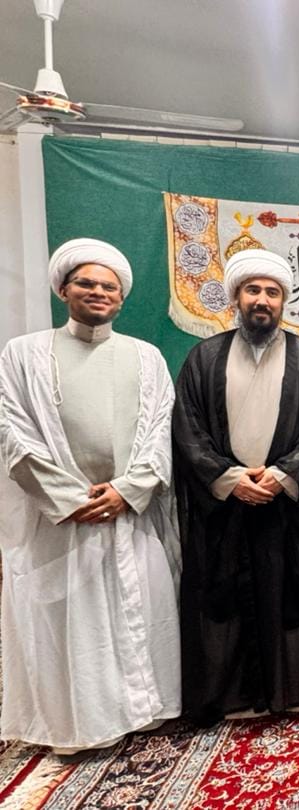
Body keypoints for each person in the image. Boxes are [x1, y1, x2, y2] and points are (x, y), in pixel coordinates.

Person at [0, 238, 181, 754]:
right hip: (62, 518)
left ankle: (146, 710)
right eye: (86, 283)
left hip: (129, 512)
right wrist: (70, 498)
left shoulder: (146, 357)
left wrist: (127, 490)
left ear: (121, 298)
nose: (98, 292)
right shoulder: (23, 354)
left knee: (141, 612)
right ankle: (81, 726)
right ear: (63, 289)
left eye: (109, 287)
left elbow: (161, 432)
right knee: (75, 628)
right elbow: (12, 433)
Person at [173, 249, 299, 724]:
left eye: (272, 292)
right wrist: (228, 478)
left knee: (290, 597)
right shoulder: (204, 358)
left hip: (286, 506)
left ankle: (294, 691)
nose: (262, 300)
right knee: (225, 593)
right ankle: (230, 696)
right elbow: (187, 429)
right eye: (253, 290)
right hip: (225, 507)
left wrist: (283, 474)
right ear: (237, 298)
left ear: (283, 301)